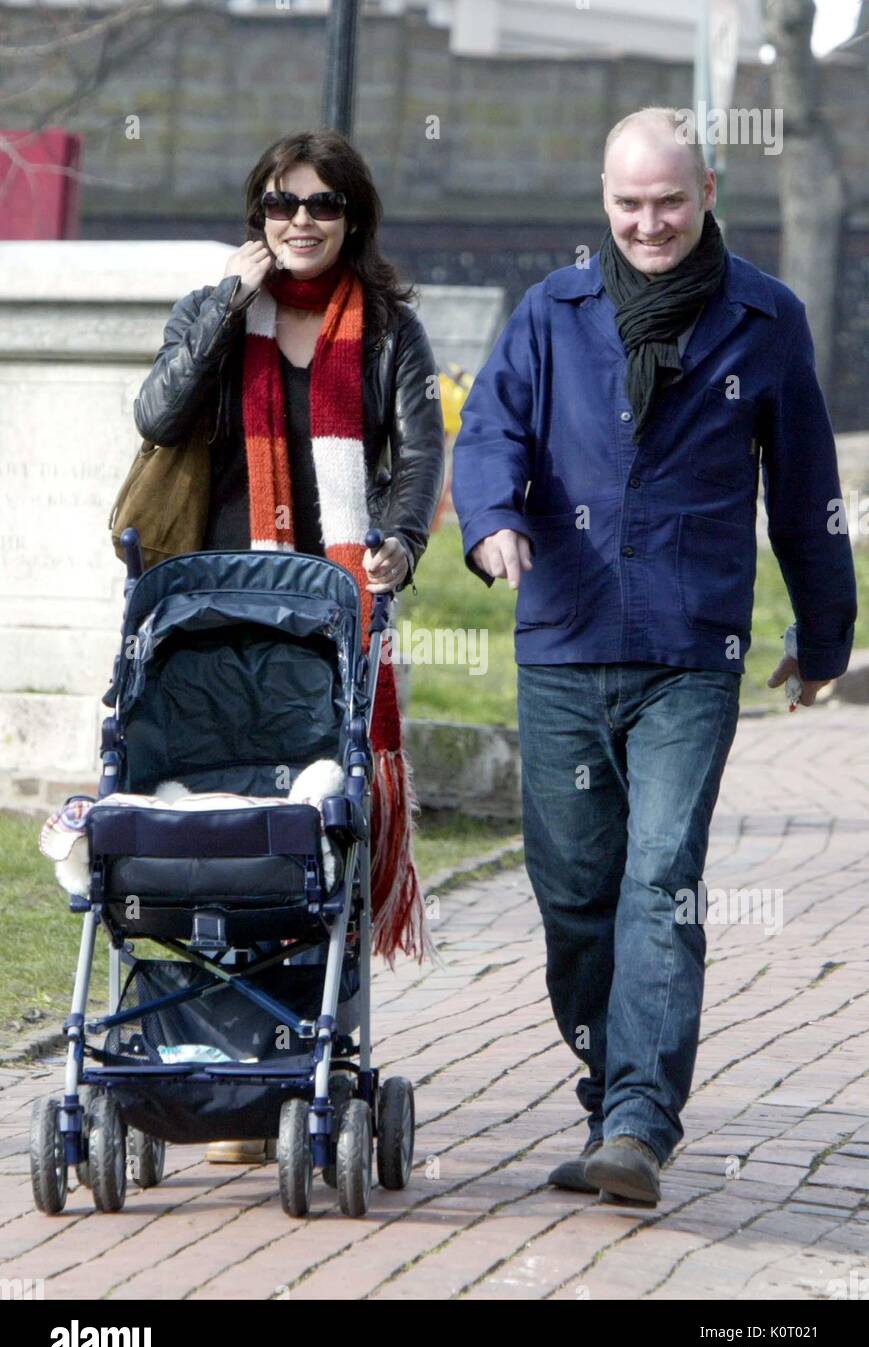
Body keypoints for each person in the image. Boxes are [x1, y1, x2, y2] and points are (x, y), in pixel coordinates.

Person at [451, 107, 857, 1207]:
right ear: (603, 199)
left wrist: (822, 634)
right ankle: (606, 1089)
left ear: (708, 190)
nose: (648, 222)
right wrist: (489, 517)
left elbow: (807, 488)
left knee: (660, 877)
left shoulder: (764, 319)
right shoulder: (552, 311)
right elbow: (487, 431)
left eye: (667, 201)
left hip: (690, 646)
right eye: (628, 203)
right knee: (571, 888)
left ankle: (637, 1121)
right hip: (565, 639)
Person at [134, 129, 445, 1162]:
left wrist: (397, 543)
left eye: (321, 205)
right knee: (235, 827)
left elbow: (417, 456)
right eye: (279, 203)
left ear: (353, 219)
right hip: (222, 615)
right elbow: (158, 412)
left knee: (324, 830)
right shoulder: (214, 310)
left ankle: (294, 1053)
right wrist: (226, 305)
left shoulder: (390, 330)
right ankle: (230, 1057)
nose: (299, 221)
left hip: (335, 621)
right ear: (255, 215)